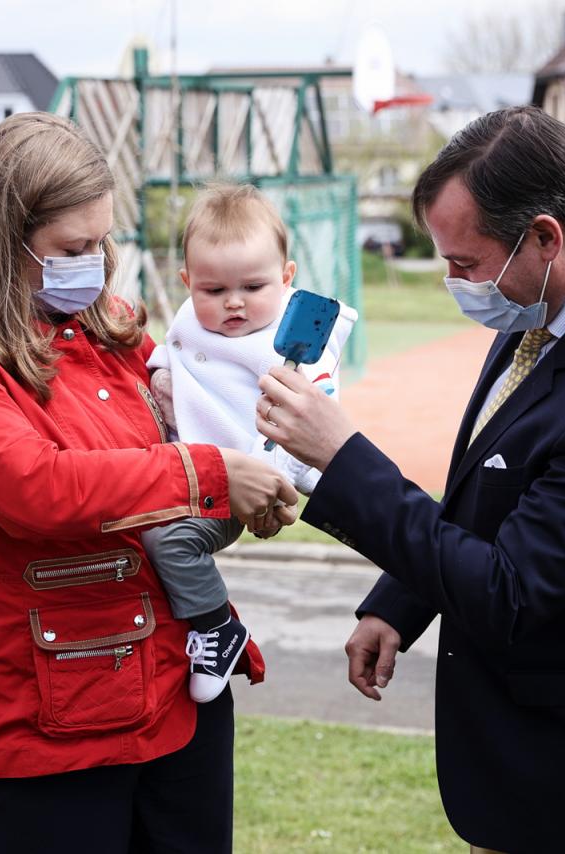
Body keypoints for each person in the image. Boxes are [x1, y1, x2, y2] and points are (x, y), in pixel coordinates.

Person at [256, 106, 565, 853]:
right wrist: (400, 602)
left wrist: (342, 458)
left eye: (464, 263)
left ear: (545, 235)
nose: (454, 281)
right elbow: (502, 485)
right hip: (539, 760)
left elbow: (512, 588)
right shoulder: (552, 303)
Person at [0, 112, 299, 853]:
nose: (95, 261)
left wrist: (257, 468)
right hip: (51, 709)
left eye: (102, 240)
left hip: (176, 684)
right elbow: (34, 487)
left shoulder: (108, 324)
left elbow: (182, 433)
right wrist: (211, 473)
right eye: (71, 248)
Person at [143, 183, 357, 703]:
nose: (233, 303)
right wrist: (162, 383)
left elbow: (311, 426)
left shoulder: (297, 347)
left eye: (254, 287)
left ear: (286, 280)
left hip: (239, 481)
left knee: (168, 540)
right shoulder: (189, 320)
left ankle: (218, 628)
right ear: (188, 282)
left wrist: (275, 483)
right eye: (213, 291)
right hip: (183, 470)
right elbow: (168, 362)